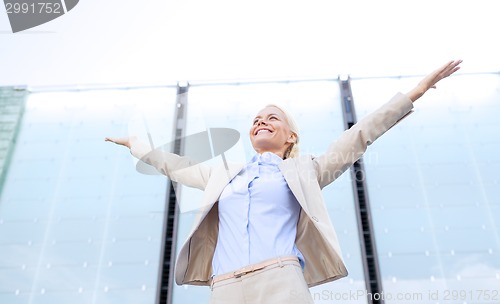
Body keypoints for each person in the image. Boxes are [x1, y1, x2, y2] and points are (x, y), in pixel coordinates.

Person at [105, 60, 462, 304]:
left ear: (290, 136)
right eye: (257, 119)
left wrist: (415, 91)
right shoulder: (223, 176)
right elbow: (175, 165)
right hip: (225, 287)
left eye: (272, 118)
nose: (261, 121)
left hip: (280, 281)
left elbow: (360, 135)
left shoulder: (307, 169)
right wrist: (137, 146)